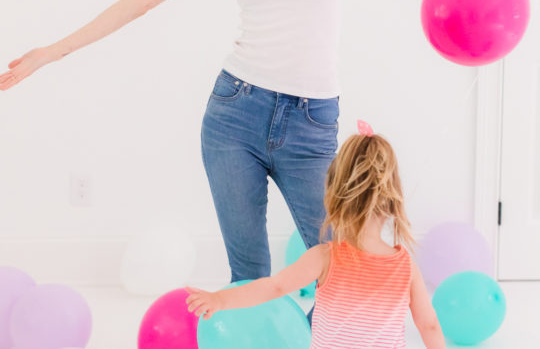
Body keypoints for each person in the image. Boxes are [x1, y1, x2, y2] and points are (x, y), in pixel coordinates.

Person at [0, 0, 537, 319]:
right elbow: (140, 0)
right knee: (247, 280)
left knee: (343, 275)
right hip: (233, 119)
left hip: (311, 123)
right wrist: (49, 52)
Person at [187, 124, 447, 349]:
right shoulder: (405, 267)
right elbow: (429, 326)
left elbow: (273, 287)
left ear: (334, 197)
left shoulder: (325, 258)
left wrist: (219, 300)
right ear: (392, 203)